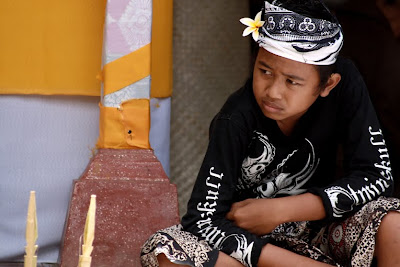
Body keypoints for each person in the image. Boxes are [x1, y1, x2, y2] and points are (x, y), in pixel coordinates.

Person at [141, 0, 400, 266]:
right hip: (251, 246)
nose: (273, 92)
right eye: (264, 71)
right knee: (163, 250)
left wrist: (282, 210)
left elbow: (377, 176)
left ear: (327, 85)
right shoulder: (236, 117)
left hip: (322, 235)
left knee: (393, 221)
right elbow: (202, 220)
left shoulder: (345, 83)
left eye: (292, 81)